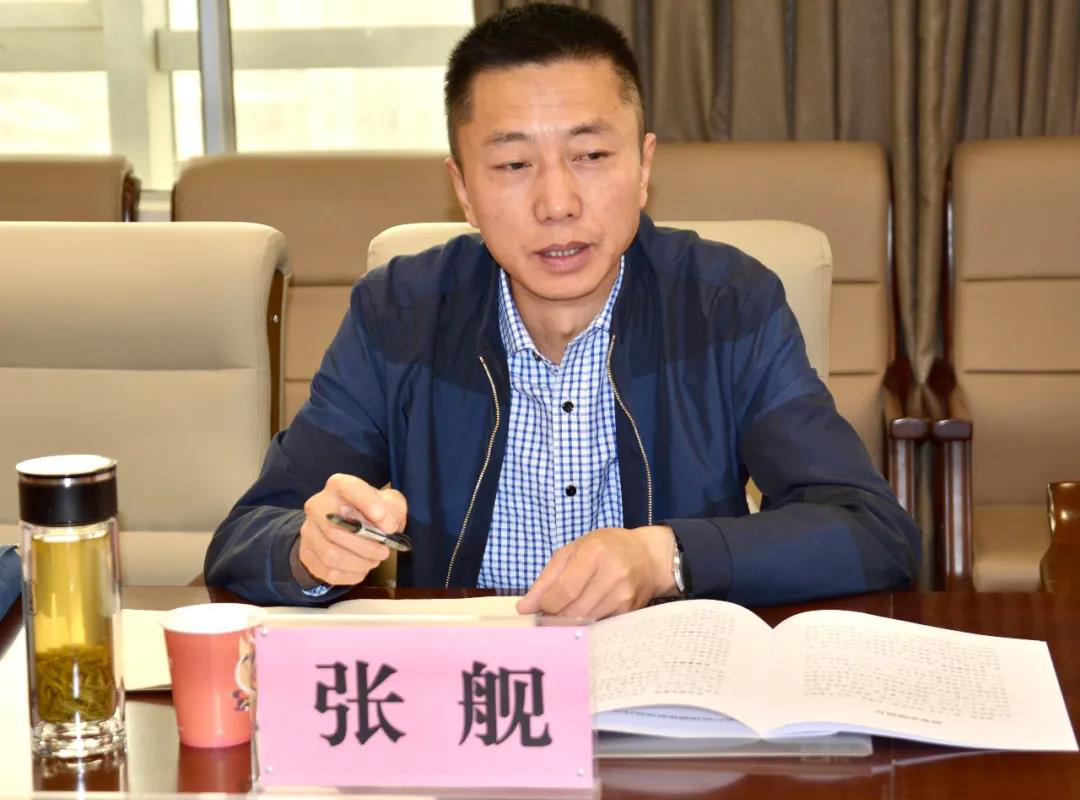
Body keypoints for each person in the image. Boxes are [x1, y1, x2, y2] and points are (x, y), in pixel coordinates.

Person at [205, 3, 919, 616]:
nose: (557, 204)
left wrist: (665, 556)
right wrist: (308, 551)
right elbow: (245, 536)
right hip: (470, 698)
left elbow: (872, 532)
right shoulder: (398, 314)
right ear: (463, 190)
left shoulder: (726, 305)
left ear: (644, 167)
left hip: (667, 692)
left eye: (591, 156)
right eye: (514, 165)